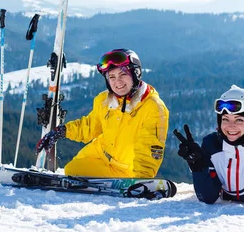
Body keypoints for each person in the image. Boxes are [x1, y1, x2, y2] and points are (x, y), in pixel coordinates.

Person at [36, 48, 170, 178]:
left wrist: (141, 180)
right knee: (72, 170)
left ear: (136, 74)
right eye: (112, 76)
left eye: (123, 74)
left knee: (76, 175)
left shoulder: (153, 107)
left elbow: (149, 150)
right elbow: (90, 126)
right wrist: (62, 131)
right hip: (100, 155)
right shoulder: (104, 100)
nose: (117, 81)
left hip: (126, 169)